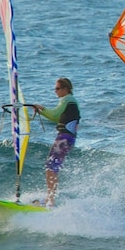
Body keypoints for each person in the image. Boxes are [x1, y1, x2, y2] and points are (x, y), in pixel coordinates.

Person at [32, 77, 80, 208]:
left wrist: (41, 108)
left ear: (66, 89)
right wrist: (41, 111)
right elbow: (58, 118)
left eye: (58, 88)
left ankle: (51, 201)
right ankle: (49, 198)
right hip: (68, 138)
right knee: (51, 166)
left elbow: (54, 115)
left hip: (64, 138)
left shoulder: (67, 99)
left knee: (51, 166)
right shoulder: (71, 102)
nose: (55, 91)